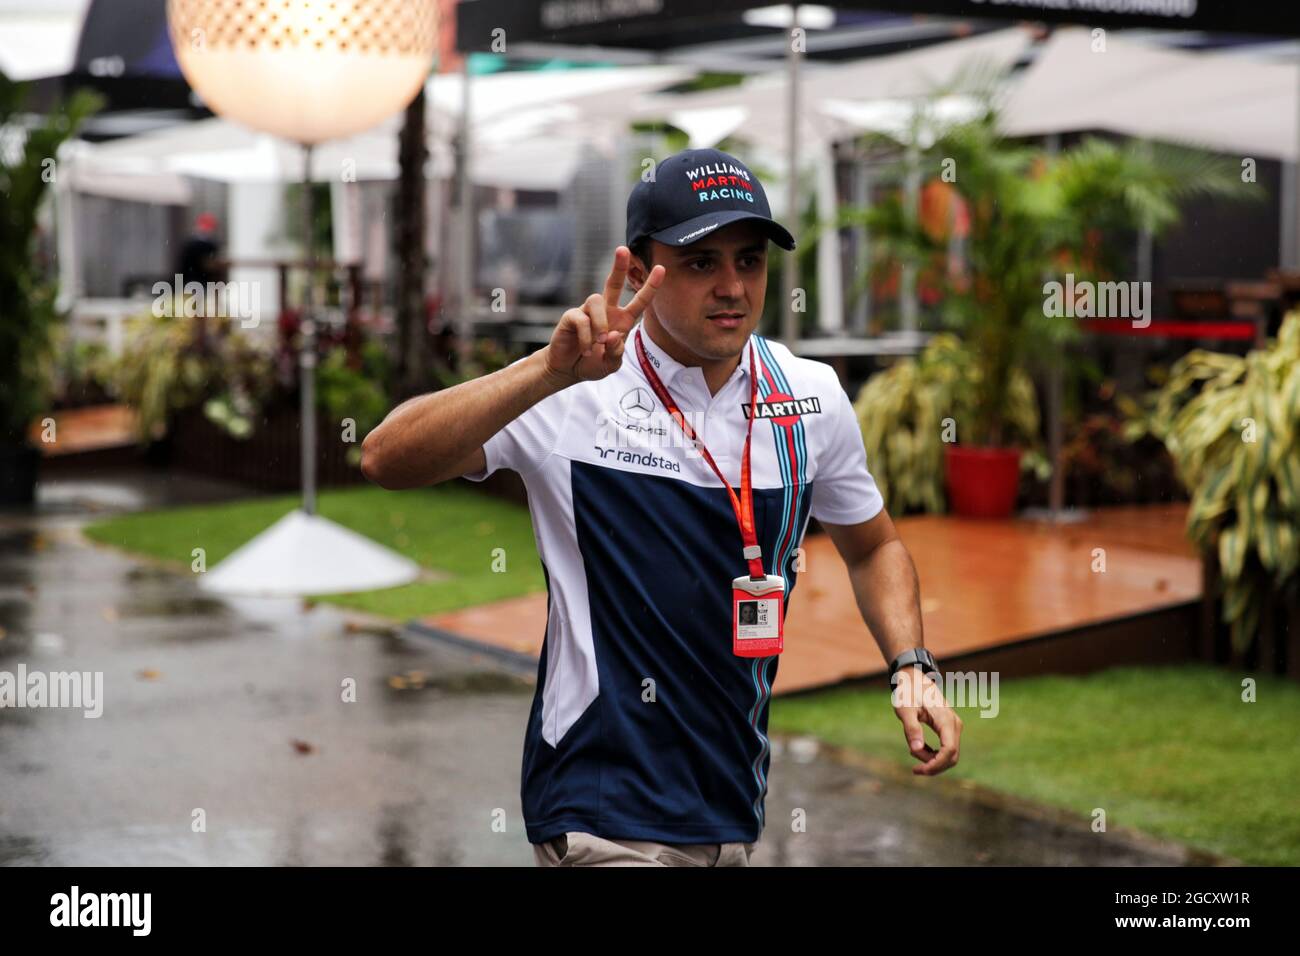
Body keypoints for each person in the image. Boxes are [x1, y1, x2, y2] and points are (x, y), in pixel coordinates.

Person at [361, 147, 961, 867]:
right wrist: (542, 374)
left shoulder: (812, 399)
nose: (733, 287)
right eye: (702, 263)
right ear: (642, 272)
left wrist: (911, 663)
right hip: (598, 803)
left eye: (750, 260)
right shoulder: (572, 388)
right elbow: (385, 458)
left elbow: (874, 547)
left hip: (729, 807)